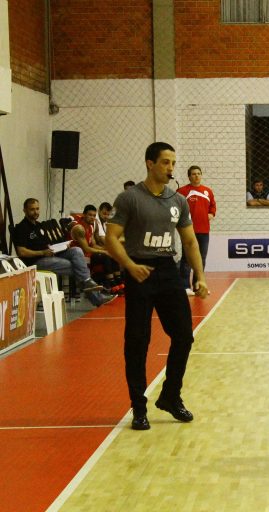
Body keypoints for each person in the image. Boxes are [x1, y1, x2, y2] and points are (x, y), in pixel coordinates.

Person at [105, 142, 209, 431]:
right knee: (138, 341)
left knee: (184, 336)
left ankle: (170, 396)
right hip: (139, 272)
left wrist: (200, 276)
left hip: (167, 271)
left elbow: (190, 241)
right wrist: (129, 265)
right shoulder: (129, 198)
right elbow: (110, 238)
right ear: (150, 163)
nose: (171, 168)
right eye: (165, 162)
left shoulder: (178, 200)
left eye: (173, 162)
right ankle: (139, 407)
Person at [12, 198, 114, 307]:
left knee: (76, 250)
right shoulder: (21, 227)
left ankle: (89, 283)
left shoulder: (39, 225)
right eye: (32, 209)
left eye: (37, 209)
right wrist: (42, 252)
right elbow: (21, 252)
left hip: (50, 254)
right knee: (77, 267)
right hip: (36, 261)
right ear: (25, 210)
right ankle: (93, 291)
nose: (35, 212)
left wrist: (63, 246)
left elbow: (47, 244)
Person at [177, 165, 216, 294]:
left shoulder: (208, 191)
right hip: (188, 231)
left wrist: (211, 214)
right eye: (193, 174)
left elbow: (213, 206)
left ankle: (198, 286)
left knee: (201, 259)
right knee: (187, 259)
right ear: (189, 177)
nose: (196, 176)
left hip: (204, 230)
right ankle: (185, 286)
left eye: (198, 173)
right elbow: (176, 207)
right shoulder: (182, 191)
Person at [70, 204, 123, 293]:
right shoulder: (79, 228)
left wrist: (107, 250)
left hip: (88, 254)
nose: (92, 217)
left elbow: (93, 245)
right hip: (79, 256)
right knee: (105, 256)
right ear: (84, 215)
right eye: (90, 215)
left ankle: (119, 281)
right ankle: (112, 284)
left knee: (112, 254)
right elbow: (86, 249)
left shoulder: (91, 226)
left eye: (94, 216)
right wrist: (104, 252)